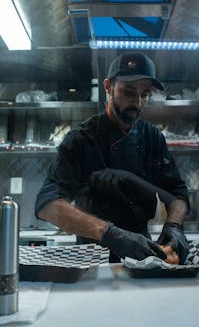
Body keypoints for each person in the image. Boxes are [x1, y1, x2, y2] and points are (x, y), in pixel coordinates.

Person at [35, 52, 190, 264]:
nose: (138, 102)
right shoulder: (81, 139)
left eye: (145, 94)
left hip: (142, 254)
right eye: (129, 92)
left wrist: (174, 226)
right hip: (91, 255)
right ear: (107, 87)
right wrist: (111, 234)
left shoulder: (152, 137)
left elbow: (178, 195)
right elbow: (47, 205)